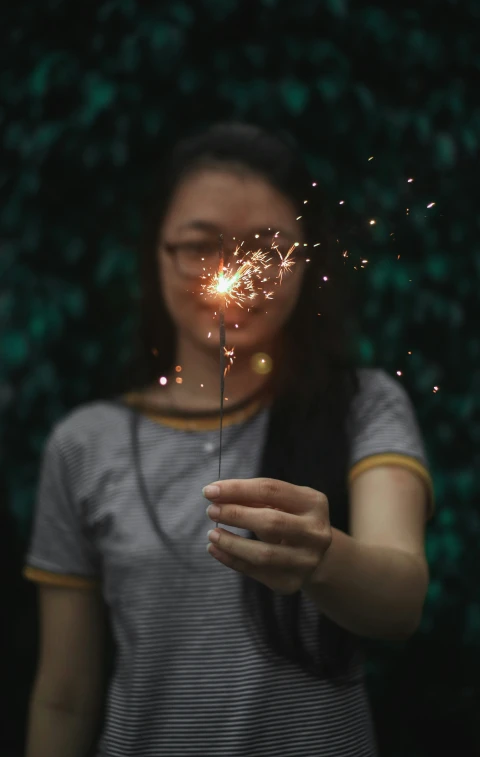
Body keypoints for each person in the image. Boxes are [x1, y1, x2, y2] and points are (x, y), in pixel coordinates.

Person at [23, 123, 434, 757]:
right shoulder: (84, 444)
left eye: (268, 247)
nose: (235, 275)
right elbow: (64, 696)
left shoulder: (363, 405)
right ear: (157, 251)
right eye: (199, 245)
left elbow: (400, 599)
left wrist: (321, 557)